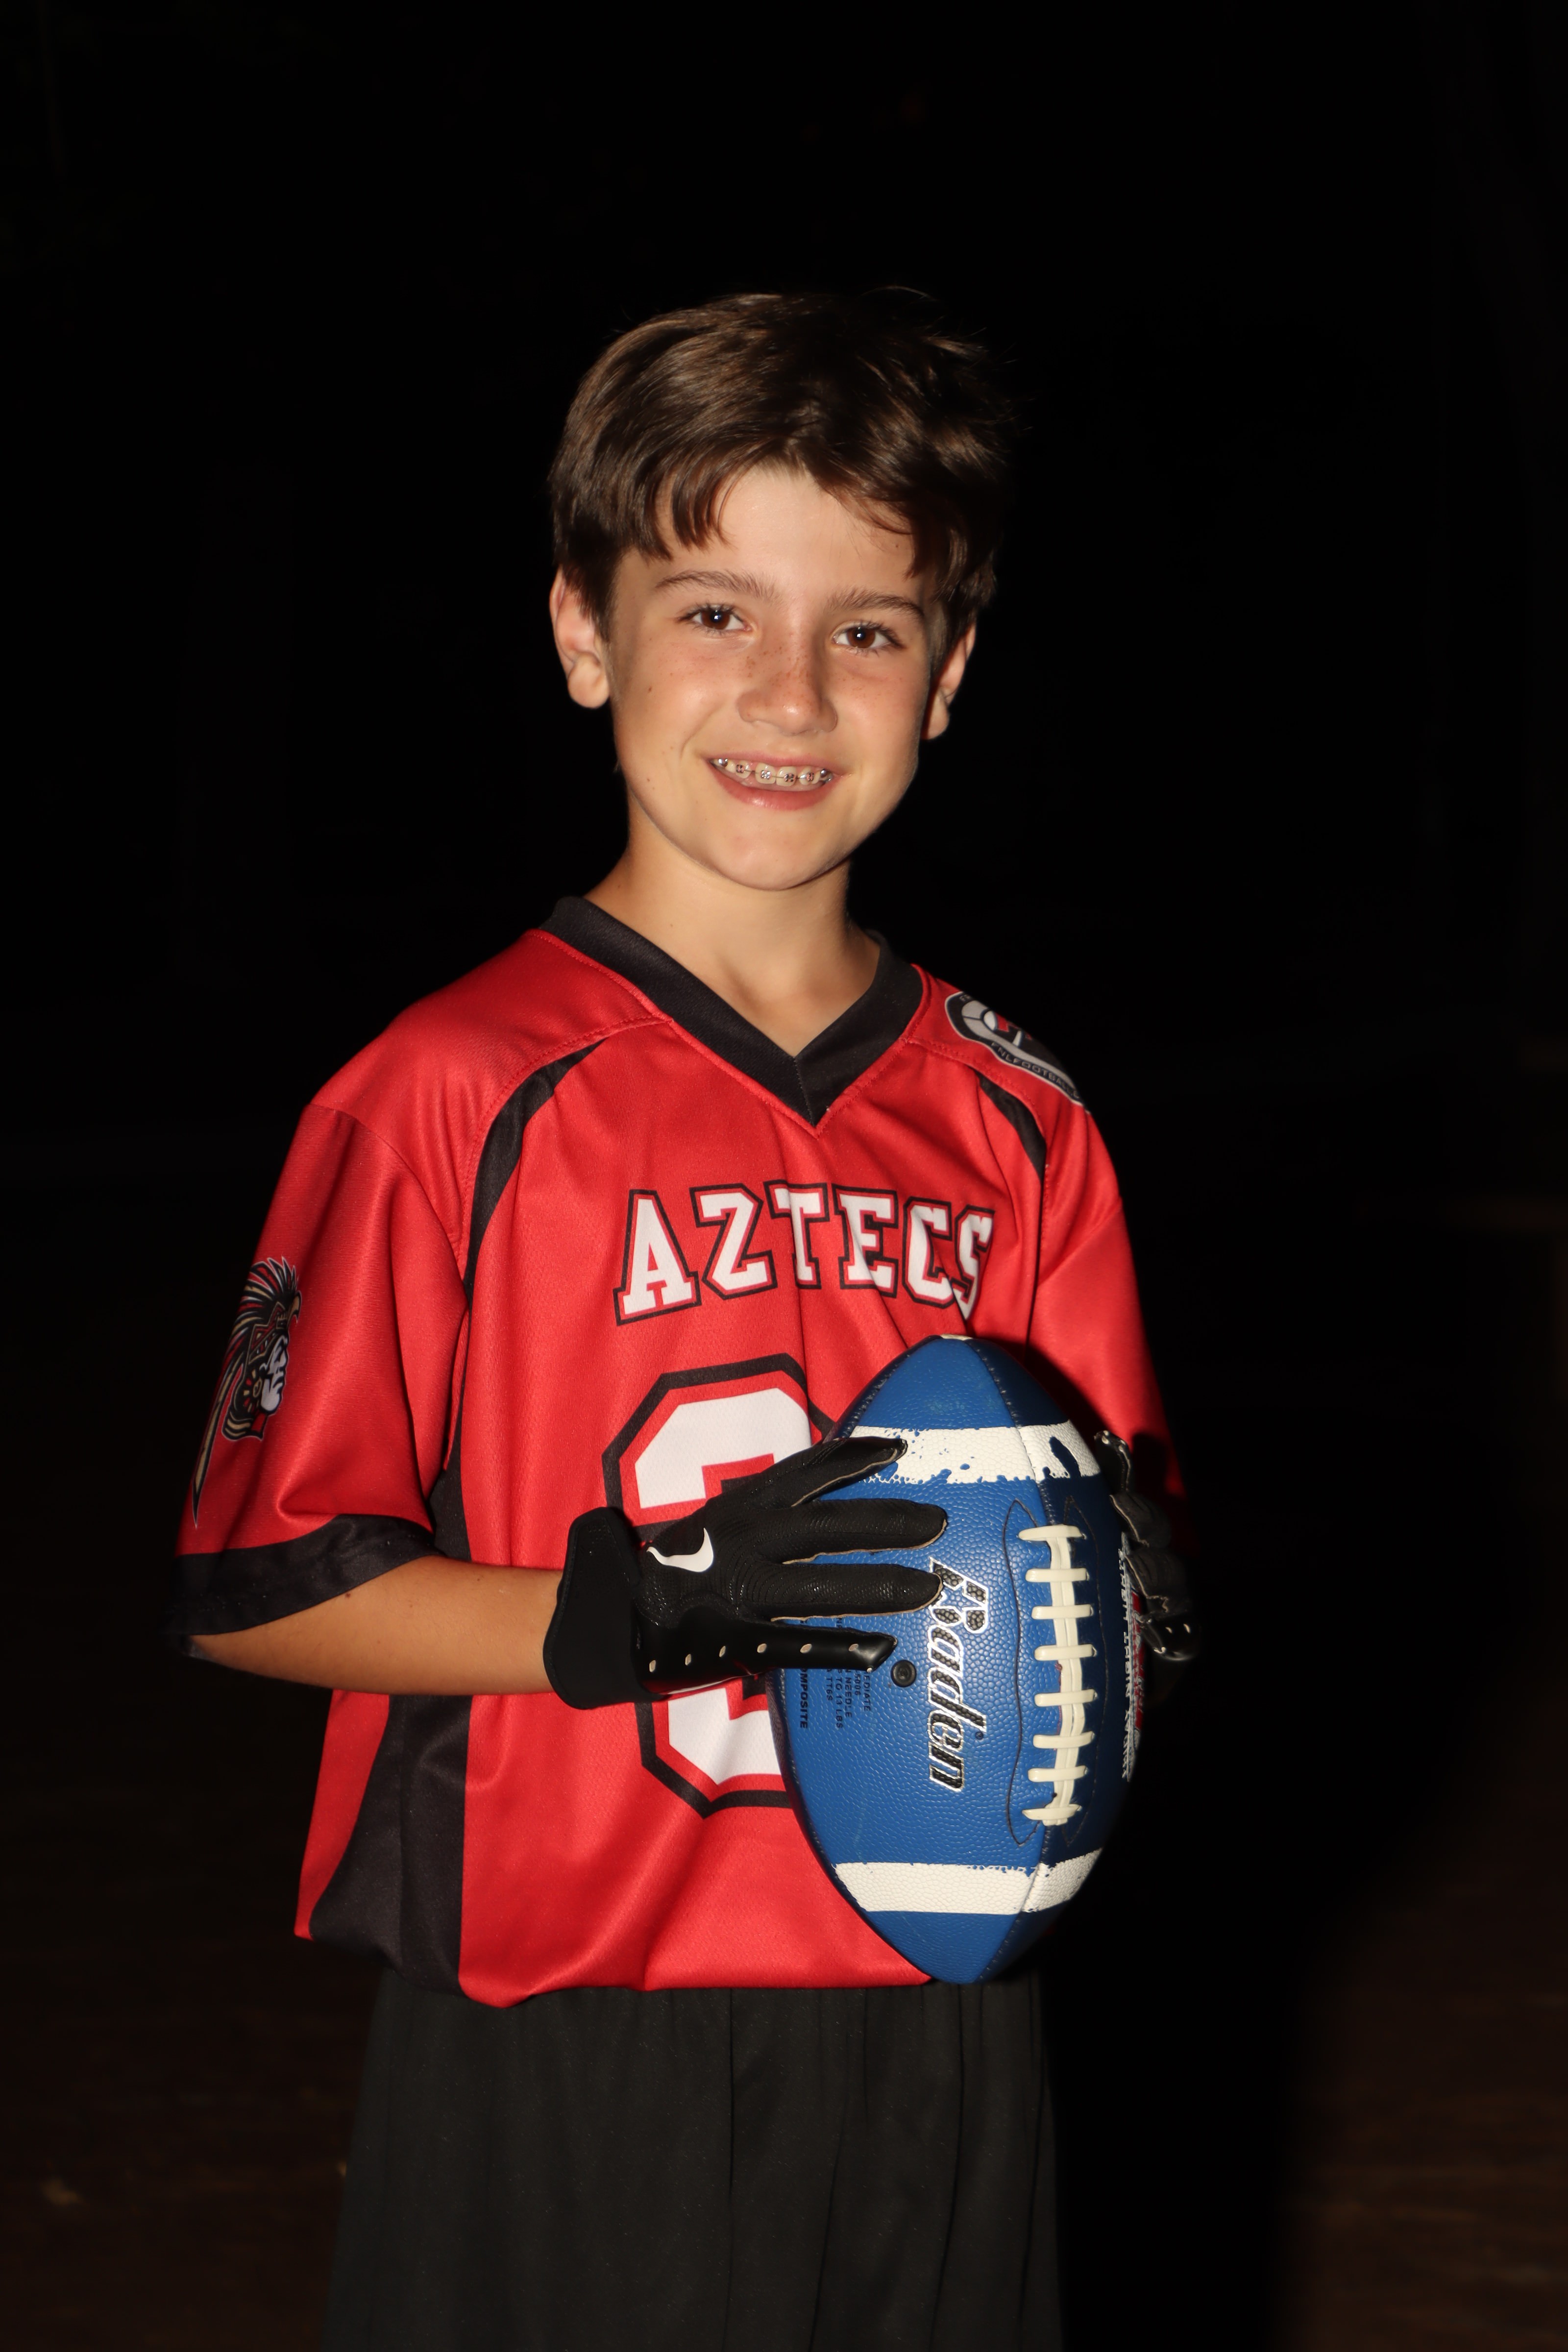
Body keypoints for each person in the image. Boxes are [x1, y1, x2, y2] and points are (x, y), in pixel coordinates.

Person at [170, 290, 1189, 2352]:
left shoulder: (1020, 1120)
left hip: (945, 1997)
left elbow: (1123, 1543)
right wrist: (631, 1612)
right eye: (714, 611)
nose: (791, 692)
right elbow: (256, 1590)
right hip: (574, 2021)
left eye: (867, 629)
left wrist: (1142, 1586)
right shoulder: (446, 1089)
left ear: (950, 674)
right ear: (581, 631)